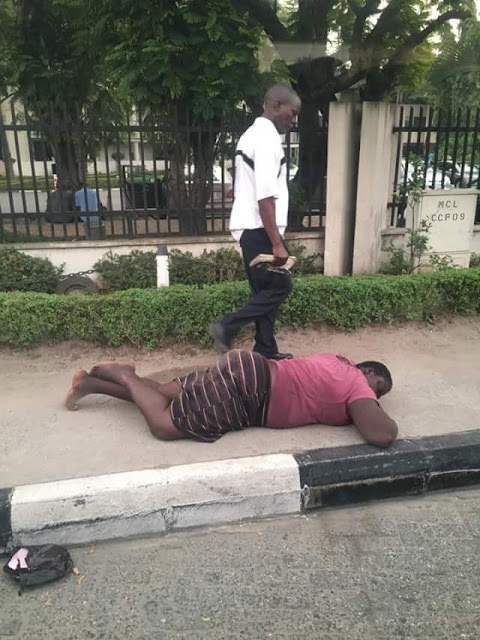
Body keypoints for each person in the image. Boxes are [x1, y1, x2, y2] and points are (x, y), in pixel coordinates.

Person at [64, 350, 398, 448]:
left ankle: (90, 383)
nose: (375, 394)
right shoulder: (357, 382)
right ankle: (123, 373)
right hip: (251, 395)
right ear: (366, 368)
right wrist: (370, 400)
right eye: (379, 386)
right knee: (164, 424)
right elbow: (381, 434)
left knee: (163, 392)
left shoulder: (333, 359)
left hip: (247, 368)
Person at [211, 84, 302, 361]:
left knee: (264, 291)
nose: (293, 119)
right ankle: (226, 326)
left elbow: (249, 182)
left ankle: (265, 349)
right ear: (276, 105)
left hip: (251, 227)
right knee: (279, 286)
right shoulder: (267, 139)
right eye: (292, 112)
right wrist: (277, 243)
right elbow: (265, 196)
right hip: (260, 228)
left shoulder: (250, 135)